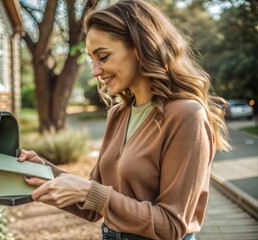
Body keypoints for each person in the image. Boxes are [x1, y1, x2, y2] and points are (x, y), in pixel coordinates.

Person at [17, 0, 231, 239]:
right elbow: (91, 204)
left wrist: (92, 193)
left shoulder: (186, 115)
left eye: (103, 57)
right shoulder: (118, 114)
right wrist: (45, 172)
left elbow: (171, 225)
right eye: (92, 59)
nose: (96, 71)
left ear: (140, 49)